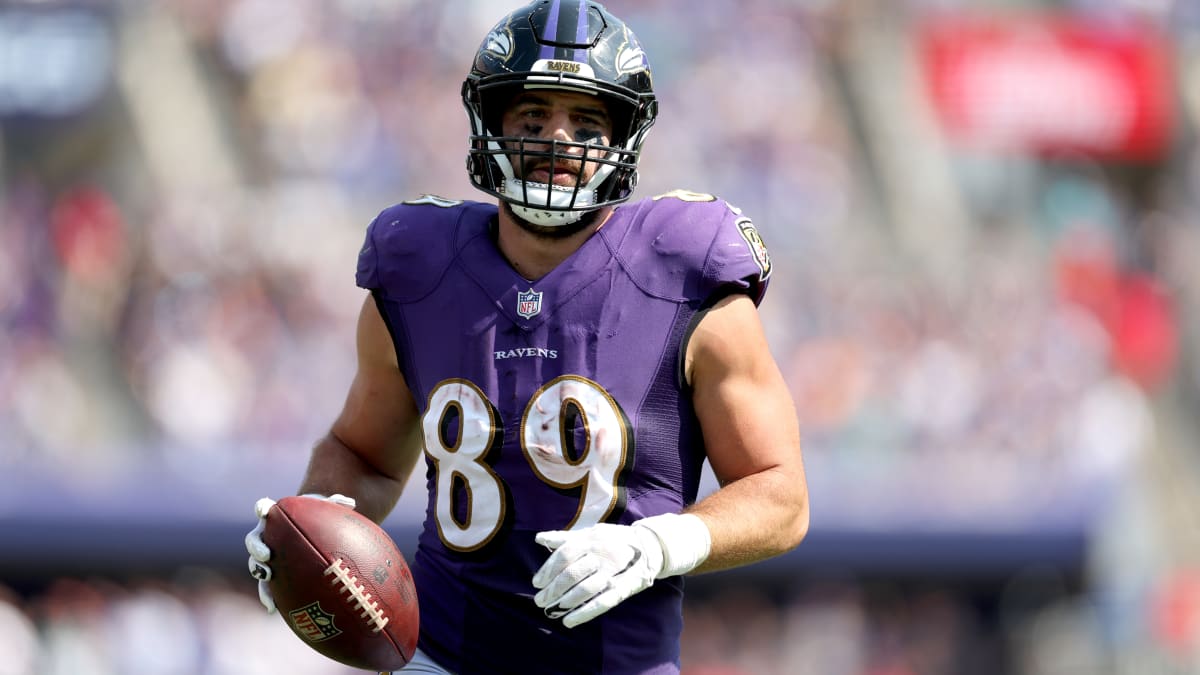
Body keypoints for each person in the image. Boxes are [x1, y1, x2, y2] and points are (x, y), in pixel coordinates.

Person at [244, 1, 809, 673]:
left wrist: (663, 543)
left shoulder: (684, 272)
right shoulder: (418, 270)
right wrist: (317, 521)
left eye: (587, 121)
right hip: (442, 655)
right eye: (534, 118)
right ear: (492, 123)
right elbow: (362, 454)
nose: (558, 141)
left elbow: (781, 494)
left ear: (624, 135)